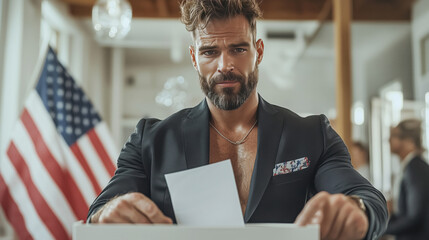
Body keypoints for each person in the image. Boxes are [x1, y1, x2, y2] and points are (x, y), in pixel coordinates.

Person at [88, 1, 388, 239]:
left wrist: (355, 210)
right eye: (209, 51)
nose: (225, 65)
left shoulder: (312, 134)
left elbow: (367, 199)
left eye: (238, 49)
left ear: (258, 51)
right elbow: (100, 210)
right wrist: (109, 214)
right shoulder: (150, 140)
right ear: (194, 58)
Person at [385, 119, 429, 240]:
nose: (388, 140)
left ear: (409, 141)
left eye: (394, 136)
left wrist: (382, 229)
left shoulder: (416, 169)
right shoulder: (410, 166)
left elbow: (414, 217)